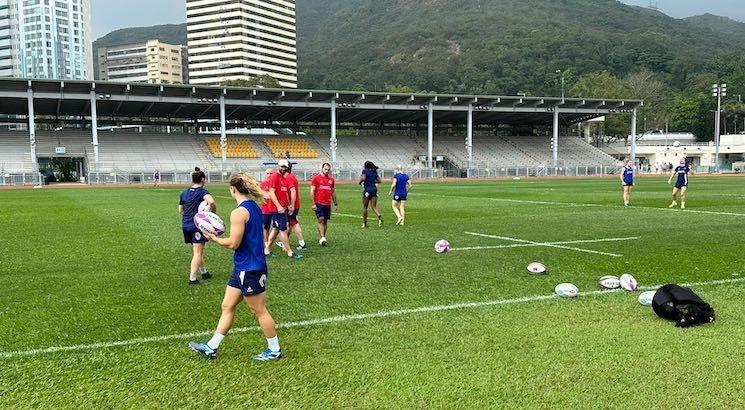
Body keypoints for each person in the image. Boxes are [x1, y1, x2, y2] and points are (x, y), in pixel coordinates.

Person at [188, 173, 282, 361]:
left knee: (259, 310)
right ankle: (212, 346)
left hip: (250, 268)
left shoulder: (238, 212)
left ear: (233, 189)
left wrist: (213, 238)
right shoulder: (254, 207)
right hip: (244, 267)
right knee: (227, 305)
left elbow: (233, 244)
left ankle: (274, 350)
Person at [178, 167, 215, 285]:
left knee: (197, 251)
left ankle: (204, 272)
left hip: (185, 225)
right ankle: (192, 278)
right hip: (196, 226)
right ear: (203, 179)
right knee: (198, 252)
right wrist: (212, 213)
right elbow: (211, 201)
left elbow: (180, 210)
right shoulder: (203, 192)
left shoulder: (184, 192)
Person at [264, 159, 302, 259]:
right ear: (278, 166)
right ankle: (290, 252)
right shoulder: (275, 177)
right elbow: (272, 192)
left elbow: (284, 193)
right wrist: (279, 206)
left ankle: (266, 250)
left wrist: (289, 205)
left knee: (276, 229)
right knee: (283, 229)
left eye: (284, 167)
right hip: (277, 209)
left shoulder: (282, 178)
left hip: (282, 208)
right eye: (281, 166)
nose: (283, 168)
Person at [310, 162, 338, 246]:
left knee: (325, 221)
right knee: (320, 219)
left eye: (328, 170)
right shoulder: (316, 178)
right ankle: (322, 237)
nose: (327, 171)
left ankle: (323, 237)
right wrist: (313, 203)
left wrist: (335, 204)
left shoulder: (331, 180)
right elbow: (312, 191)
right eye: (325, 169)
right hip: (319, 203)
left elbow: (333, 192)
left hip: (327, 203)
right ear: (322, 168)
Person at [284, 164, 306, 250]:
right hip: (295, 204)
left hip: (291, 205)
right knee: (290, 223)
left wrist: (291, 205)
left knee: (293, 222)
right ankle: (284, 240)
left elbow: (291, 192)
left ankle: (302, 243)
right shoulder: (292, 176)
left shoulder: (288, 178)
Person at [359, 161, 383, 228]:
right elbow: (379, 181)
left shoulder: (365, 171)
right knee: (374, 206)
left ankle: (365, 223)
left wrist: (360, 182)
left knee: (365, 207)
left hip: (367, 190)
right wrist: (372, 181)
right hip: (374, 190)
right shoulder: (374, 171)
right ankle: (379, 216)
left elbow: (363, 178)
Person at [260, 168, 274, 245]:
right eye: (268, 173)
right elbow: (261, 196)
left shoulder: (276, 183)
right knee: (266, 227)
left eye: (271, 173)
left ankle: (281, 242)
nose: (269, 175)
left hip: (275, 209)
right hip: (266, 210)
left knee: (278, 227)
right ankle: (266, 243)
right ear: (265, 175)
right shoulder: (262, 184)